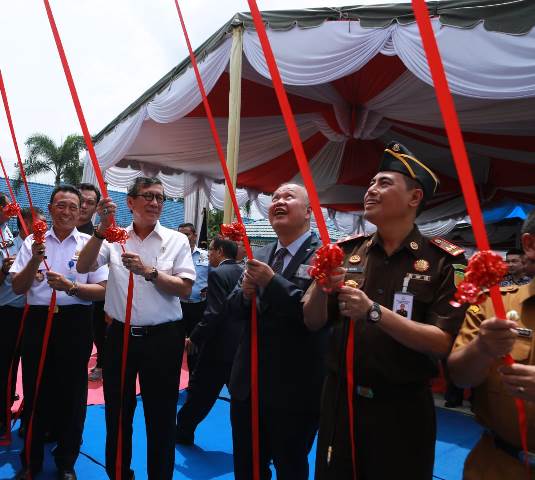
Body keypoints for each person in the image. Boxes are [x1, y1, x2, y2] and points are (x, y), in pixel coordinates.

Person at [303, 141, 467, 480]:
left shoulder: (443, 263)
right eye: (371, 183)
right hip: (340, 401)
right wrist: (322, 284)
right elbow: (312, 319)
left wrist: (374, 312)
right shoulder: (348, 253)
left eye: (384, 183)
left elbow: (442, 343)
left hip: (402, 410)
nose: (371, 190)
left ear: (414, 198)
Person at [76, 176, 195, 480]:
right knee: (117, 413)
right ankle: (119, 473)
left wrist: (150, 272)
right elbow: (83, 266)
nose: (155, 203)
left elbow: (185, 289)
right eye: (148, 196)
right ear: (130, 202)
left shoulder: (176, 240)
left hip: (163, 339)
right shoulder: (114, 238)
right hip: (120, 337)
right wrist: (101, 231)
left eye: (160, 197)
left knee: (161, 417)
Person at [10, 185, 108, 480]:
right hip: (39, 320)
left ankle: (66, 461)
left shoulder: (90, 243)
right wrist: (35, 261)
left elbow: (101, 290)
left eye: (73, 207)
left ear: (81, 212)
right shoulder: (33, 241)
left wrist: (72, 287)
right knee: (36, 387)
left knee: (73, 392)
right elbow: (18, 287)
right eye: (60, 206)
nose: (66, 212)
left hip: (76, 321)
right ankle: (31, 461)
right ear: (50, 208)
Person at [228, 183, 324, 480]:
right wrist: (244, 294)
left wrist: (272, 282)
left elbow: (311, 316)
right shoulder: (262, 251)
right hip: (248, 384)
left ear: (308, 212)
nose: (279, 201)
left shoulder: (326, 255)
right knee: (247, 467)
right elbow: (233, 311)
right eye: (275, 197)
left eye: (288, 197)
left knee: (290, 467)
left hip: (295, 389)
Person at [447, 211, 535, 479]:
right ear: (530, 245)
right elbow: (459, 377)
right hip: (497, 465)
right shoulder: (494, 303)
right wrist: (482, 348)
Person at [175, 235, 243, 445]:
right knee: (241, 399)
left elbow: (214, 313)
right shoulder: (244, 271)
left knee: (199, 395)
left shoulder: (218, 274)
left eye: (211, 250)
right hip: (239, 346)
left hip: (217, 346)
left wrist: (194, 337)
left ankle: (183, 432)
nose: (209, 254)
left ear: (220, 251)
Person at [76, 183, 106, 382]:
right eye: (81, 200)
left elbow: (104, 284)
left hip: (85, 307)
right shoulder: (46, 235)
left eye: (90, 203)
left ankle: (102, 362)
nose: (83, 206)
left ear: (96, 208)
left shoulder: (97, 238)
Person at [178, 222, 209, 376]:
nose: (183, 237)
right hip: (177, 307)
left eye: (187, 234)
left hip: (198, 307)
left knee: (194, 346)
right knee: (175, 345)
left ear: (195, 236)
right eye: (180, 234)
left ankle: (193, 382)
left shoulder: (206, 256)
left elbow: (215, 276)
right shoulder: (174, 256)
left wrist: (209, 289)